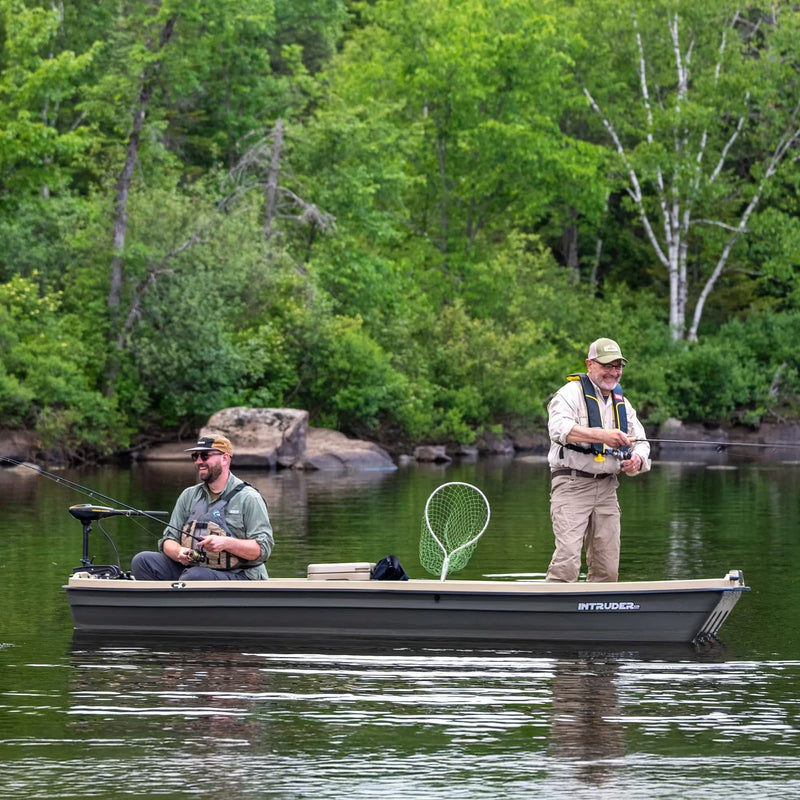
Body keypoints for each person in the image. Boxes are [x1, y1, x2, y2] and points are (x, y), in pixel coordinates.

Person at [545, 338, 650, 583]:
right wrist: (603, 435)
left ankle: (594, 616)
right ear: (590, 364)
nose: (614, 372)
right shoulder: (569, 394)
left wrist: (637, 460)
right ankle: (552, 613)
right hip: (571, 484)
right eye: (607, 365)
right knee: (567, 563)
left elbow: (642, 442)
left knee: (607, 569)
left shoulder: (622, 402)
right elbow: (559, 429)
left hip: (607, 488)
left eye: (618, 366)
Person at [131, 435, 274, 581]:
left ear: (225, 459)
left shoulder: (249, 498)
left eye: (205, 456)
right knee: (142, 561)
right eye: (196, 456)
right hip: (195, 571)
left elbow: (263, 549)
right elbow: (168, 540)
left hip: (239, 575)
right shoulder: (189, 495)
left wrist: (226, 543)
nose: (199, 461)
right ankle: (163, 603)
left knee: (194, 577)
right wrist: (179, 552)